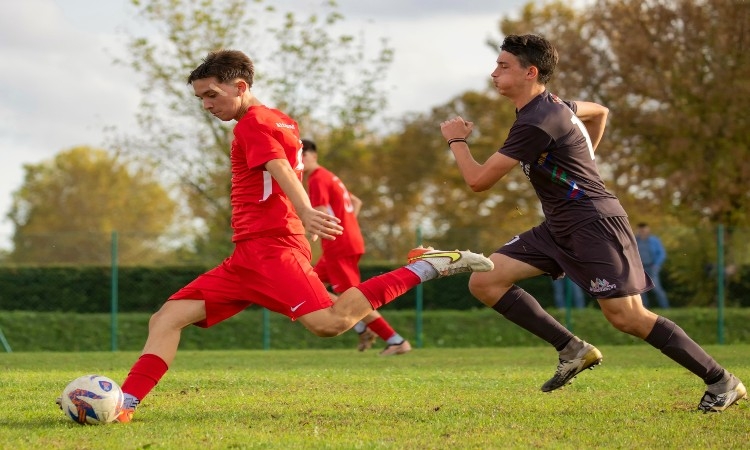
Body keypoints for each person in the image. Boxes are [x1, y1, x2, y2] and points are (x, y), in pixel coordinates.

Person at [79, 49, 493, 423]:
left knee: (330, 323)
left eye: (211, 95)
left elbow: (277, 166)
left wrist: (306, 210)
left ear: (240, 87)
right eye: (200, 98)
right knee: (167, 318)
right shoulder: (280, 119)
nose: (206, 105)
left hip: (273, 246)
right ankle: (125, 406)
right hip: (248, 254)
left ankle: (429, 266)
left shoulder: (252, 125)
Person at [439, 34, 745, 412]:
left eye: (503, 66)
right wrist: (585, 159)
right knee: (485, 279)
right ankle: (573, 349)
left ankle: (721, 380)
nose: (493, 73)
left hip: (593, 223)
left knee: (628, 317)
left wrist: (457, 141)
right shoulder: (554, 108)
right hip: (559, 225)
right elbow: (599, 111)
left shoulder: (536, 121)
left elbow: (478, 181)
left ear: (530, 72)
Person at [301, 139, 411, 355]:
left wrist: (307, 235)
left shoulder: (316, 179)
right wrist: (346, 226)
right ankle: (361, 327)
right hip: (346, 241)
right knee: (307, 283)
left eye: (303, 156)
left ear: (314, 155)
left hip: (339, 245)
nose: (300, 161)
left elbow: (321, 211)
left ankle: (395, 340)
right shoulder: (329, 176)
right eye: (296, 158)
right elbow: (356, 202)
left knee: (355, 298)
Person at [635, 223, 670, 308]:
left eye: (644, 230)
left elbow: (662, 253)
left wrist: (657, 265)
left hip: (652, 267)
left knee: (656, 288)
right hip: (640, 268)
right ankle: (644, 309)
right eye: (641, 230)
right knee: (641, 290)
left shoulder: (654, 240)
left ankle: (666, 308)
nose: (643, 232)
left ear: (648, 230)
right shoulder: (635, 240)